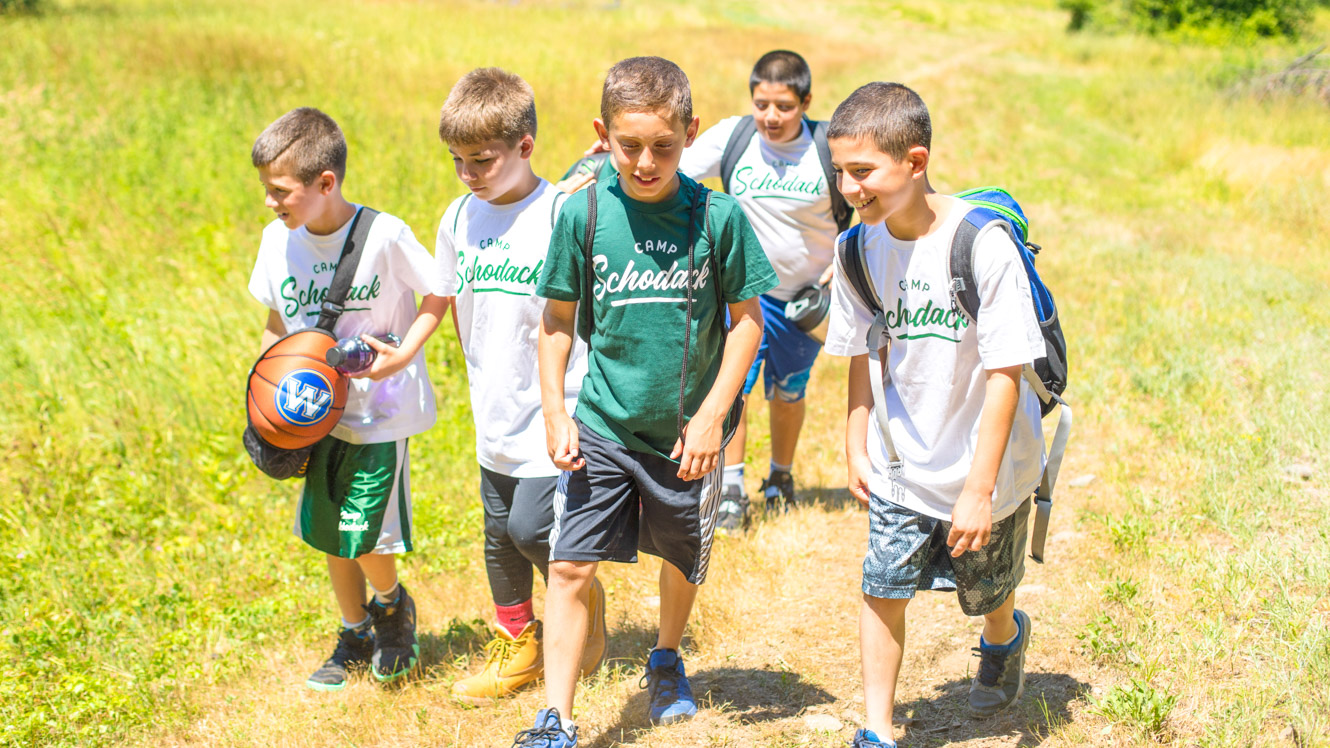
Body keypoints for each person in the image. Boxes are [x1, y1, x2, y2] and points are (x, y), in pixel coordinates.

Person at [514, 56, 777, 747]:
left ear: (690, 133)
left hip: (687, 431)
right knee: (570, 564)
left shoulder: (718, 219)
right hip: (602, 422)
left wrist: (715, 415)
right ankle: (558, 719)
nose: (646, 162)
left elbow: (748, 322)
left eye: (663, 146)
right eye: (629, 146)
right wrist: (556, 410)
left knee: (679, 557)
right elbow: (557, 322)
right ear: (603, 134)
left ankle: (665, 657)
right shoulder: (584, 212)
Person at [822, 82, 1047, 747]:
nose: (847, 187)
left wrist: (979, 490)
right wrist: (856, 435)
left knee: (985, 592)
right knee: (883, 585)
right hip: (902, 457)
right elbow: (863, 347)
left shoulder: (982, 244)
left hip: (989, 460)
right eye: (839, 171)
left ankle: (1003, 638)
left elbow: (1006, 371)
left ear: (915, 162)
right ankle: (877, 728)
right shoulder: (855, 249)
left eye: (862, 172)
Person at [247, 107, 448, 691]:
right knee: (327, 529)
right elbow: (277, 321)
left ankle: (392, 607)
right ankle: (354, 627)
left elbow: (438, 291)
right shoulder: (276, 242)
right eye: (266, 189)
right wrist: (267, 397)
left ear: (325, 184)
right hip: (312, 415)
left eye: (279, 190)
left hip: (380, 413)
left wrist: (405, 352)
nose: (270, 202)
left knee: (363, 528)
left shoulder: (385, 235)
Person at [432, 67, 605, 704]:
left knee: (535, 528)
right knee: (498, 532)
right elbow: (457, 303)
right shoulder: (457, 216)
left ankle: (579, 597)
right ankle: (519, 642)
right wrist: (480, 374)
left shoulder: (560, 210)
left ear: (525, 146)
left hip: (556, 405)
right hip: (493, 405)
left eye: (482, 159)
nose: (469, 174)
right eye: (457, 161)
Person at [678, 50, 851, 530]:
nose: (771, 117)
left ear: (806, 102)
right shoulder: (734, 138)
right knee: (734, 390)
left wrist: (846, 256)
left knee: (788, 391)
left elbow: (870, 200)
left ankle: (780, 477)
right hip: (742, 298)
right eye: (762, 104)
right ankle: (731, 487)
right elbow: (669, 169)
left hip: (803, 303)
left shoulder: (828, 147)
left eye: (784, 106)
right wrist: (608, 161)